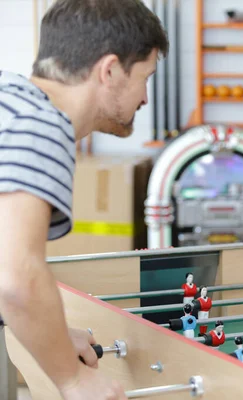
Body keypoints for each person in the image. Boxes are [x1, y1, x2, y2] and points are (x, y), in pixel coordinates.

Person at [0, 0, 168, 399]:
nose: (145, 98)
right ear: (109, 71)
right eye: (145, 77)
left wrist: (53, 338)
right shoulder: (40, 126)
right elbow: (15, 279)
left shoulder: (10, 101)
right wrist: (72, 379)